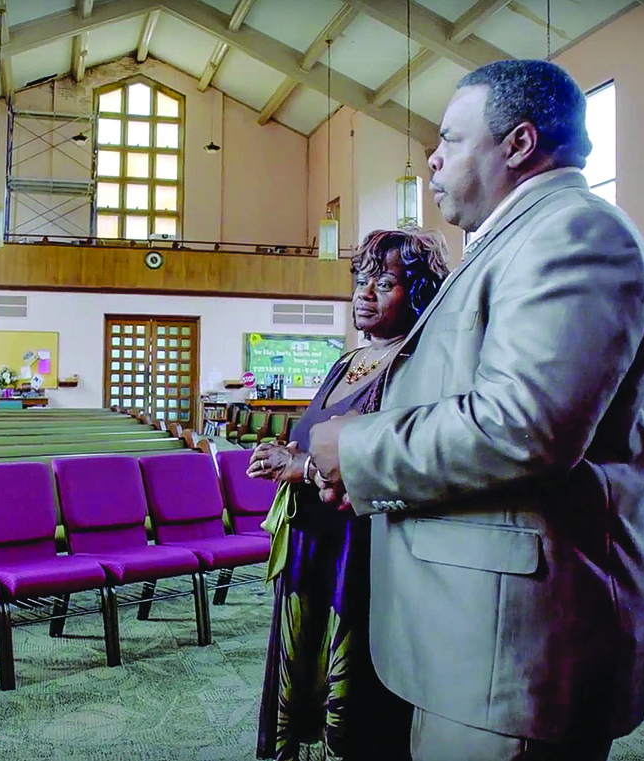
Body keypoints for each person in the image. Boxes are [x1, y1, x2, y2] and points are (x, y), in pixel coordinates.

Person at [308, 59, 644, 761]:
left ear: (518, 144)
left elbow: (524, 425)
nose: (432, 157)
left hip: (513, 652)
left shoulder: (575, 233)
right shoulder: (507, 240)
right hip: (468, 633)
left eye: (451, 139)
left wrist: (359, 447)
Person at [250, 229, 450, 760]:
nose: (364, 293)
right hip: (312, 541)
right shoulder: (346, 362)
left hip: (360, 549)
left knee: (356, 686)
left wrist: (303, 466)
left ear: (422, 293)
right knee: (303, 662)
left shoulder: (416, 366)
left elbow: (384, 461)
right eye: (361, 280)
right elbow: (312, 439)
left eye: (384, 283)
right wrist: (281, 452)